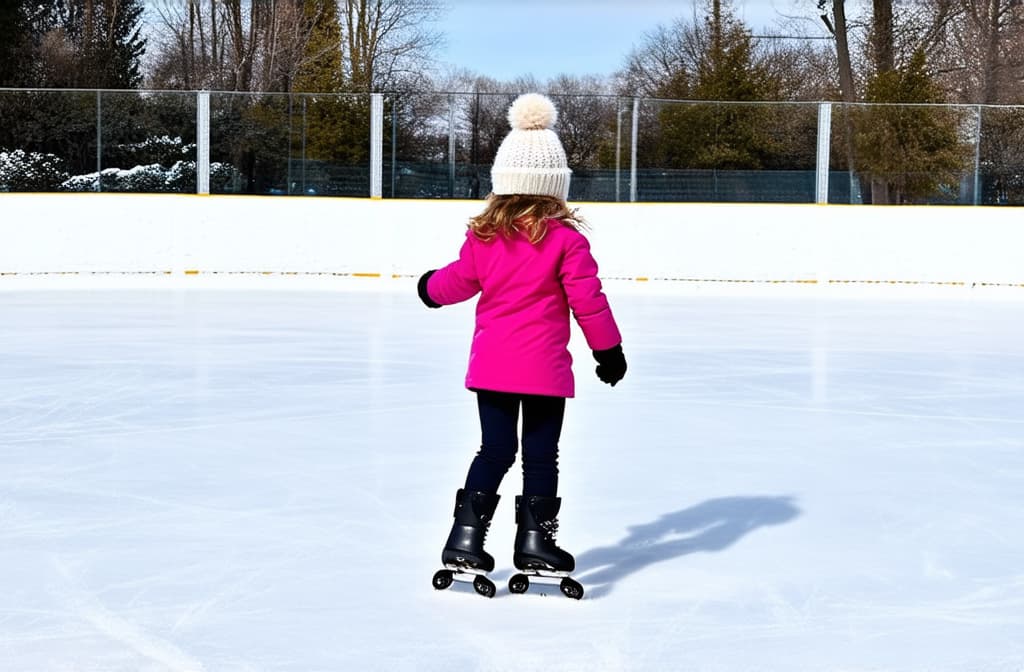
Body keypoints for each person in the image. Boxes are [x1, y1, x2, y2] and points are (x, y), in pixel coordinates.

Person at [418, 93, 627, 595]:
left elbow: (456, 282)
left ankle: (464, 538)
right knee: (539, 457)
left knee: (493, 449)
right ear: (556, 188)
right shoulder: (566, 241)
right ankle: (535, 542)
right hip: (544, 375)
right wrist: (608, 350)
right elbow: (588, 301)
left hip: (492, 370)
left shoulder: (484, 239)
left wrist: (428, 287)